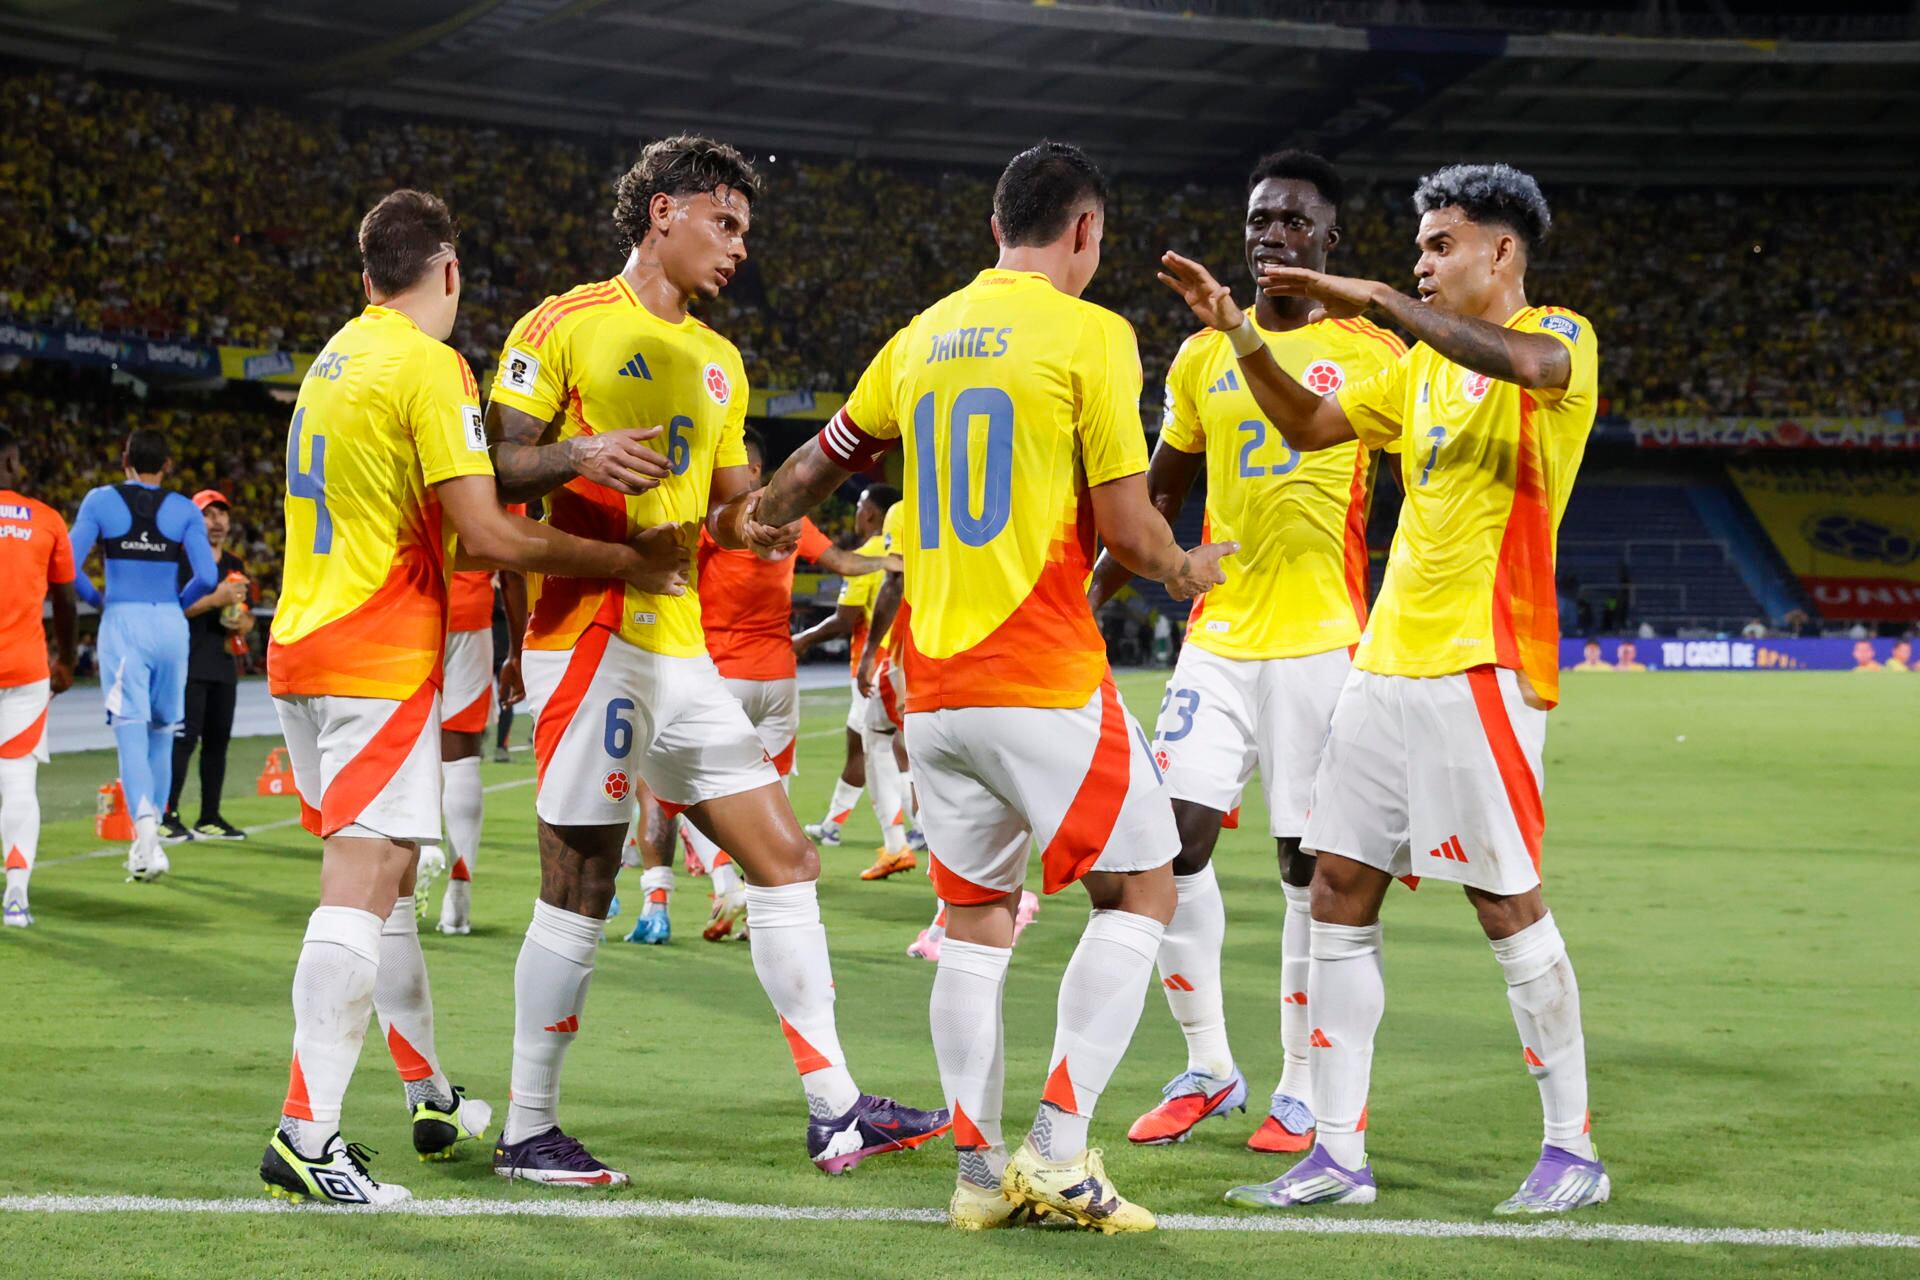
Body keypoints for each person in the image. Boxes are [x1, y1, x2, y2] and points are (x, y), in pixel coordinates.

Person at [754, 141, 1233, 1233]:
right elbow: (1125, 522)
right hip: (1042, 669)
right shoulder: (1093, 334)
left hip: (935, 689)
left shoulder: (920, 335)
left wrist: (756, 519)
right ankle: (1060, 1150)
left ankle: (976, 1178)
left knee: (972, 925)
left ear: (993, 228)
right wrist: (1180, 564)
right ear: (1085, 232)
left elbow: (818, 465)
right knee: (1145, 888)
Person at [484, 136, 947, 1187]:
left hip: (680, 648)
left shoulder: (723, 361)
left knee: (785, 857)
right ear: (660, 212)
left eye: (746, 230)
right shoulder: (565, 324)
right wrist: (577, 452)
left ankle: (836, 1110)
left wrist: (773, 517)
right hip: (587, 637)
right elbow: (494, 468)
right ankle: (526, 1126)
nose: (740, 247)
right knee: (581, 878)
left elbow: (733, 510)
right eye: (724, 223)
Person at [1160, 162, 1608, 1215]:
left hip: (1483, 664)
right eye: (1417, 247)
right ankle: (1337, 1148)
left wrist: (1380, 302)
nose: (1420, 261)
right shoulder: (1415, 374)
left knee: (1505, 901)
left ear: (1501, 251)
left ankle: (1571, 1144)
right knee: (1336, 890)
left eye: (1440, 244)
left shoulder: (1563, 336)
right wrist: (1240, 334)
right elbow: (1310, 425)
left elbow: (1530, 363)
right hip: (1380, 664)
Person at [259, 188, 689, 1207]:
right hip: (374, 653)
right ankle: (304, 1130)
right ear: (446, 272)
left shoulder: (334, 358)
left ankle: (426, 1085)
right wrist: (623, 558)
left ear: (368, 275)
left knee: (390, 869)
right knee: (364, 880)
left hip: (303, 646)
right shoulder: (431, 364)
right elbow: (487, 536)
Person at [1084, 149, 1404, 1154]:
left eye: (1295, 222)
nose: (1272, 235)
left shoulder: (1372, 353)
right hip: (1218, 635)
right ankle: (1209, 1062)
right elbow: (1162, 492)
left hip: (1324, 642)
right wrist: (1093, 595)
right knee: (1167, 845)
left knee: (1309, 869)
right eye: (1261, 219)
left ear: (1330, 239)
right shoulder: (1196, 357)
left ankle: (1304, 1084)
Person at [630, 426, 884, 945]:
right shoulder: (791, 515)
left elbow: (670, 574)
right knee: (771, 796)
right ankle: (765, 905)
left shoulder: (713, 524)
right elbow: (842, 562)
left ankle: (727, 884)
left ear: (748, 469)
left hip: (722, 675)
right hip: (779, 678)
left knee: (688, 793)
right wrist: (893, 563)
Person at [68, 428, 220, 881]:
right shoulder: (182, 509)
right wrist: (176, 602)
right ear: (168, 465)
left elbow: (66, 565)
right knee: (161, 730)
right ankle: (147, 846)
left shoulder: (100, 501)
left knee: (130, 729)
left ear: (124, 460)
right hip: (171, 626)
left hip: (125, 622)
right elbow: (208, 578)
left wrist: (97, 600)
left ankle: (147, 833)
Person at [791, 484, 916, 872]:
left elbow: (846, 620)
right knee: (869, 744)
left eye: (861, 507)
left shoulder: (869, 557)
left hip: (877, 666)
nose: (857, 515)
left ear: (873, 514)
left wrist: (806, 638)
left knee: (888, 748)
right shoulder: (922, 535)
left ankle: (910, 834)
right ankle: (834, 824)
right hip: (915, 657)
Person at [0, 427, 79, 928]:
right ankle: (15, 896)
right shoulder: (46, 520)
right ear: (10, 463)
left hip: (25, 674)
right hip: (25, 672)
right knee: (17, 780)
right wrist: (67, 660)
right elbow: (67, 600)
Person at [426, 557, 526, 937]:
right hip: (470, 613)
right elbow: (512, 567)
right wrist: (517, 652)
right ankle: (458, 896)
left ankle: (405, 884)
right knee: (462, 755)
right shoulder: (505, 491)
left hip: (407, 607)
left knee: (407, 745)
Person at [162, 489, 254, 843]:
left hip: (222, 663)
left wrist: (241, 624)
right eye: (208, 514)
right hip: (187, 662)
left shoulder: (235, 564)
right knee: (183, 740)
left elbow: (244, 617)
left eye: (222, 514)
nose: (216, 521)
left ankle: (209, 816)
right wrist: (214, 600)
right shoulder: (181, 559)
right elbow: (173, 607)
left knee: (218, 742)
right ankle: (166, 814)